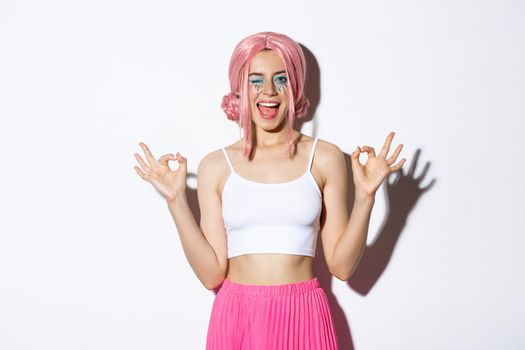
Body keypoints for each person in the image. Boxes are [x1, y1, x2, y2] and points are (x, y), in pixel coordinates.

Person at [133, 31, 406, 350]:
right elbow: (211, 275)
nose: (270, 92)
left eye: (282, 79)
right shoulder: (215, 167)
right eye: (256, 80)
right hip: (237, 315)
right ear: (239, 88)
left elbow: (342, 267)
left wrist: (366, 197)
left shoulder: (326, 157)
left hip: (304, 313)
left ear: (296, 87)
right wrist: (176, 200)